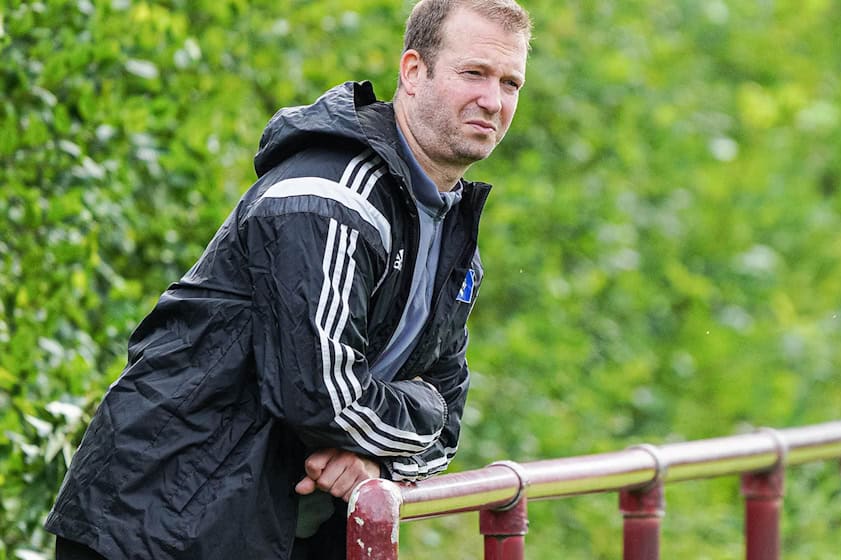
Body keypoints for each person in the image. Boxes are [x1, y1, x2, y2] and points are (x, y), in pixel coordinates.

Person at [45, 0, 531, 558]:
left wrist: (377, 460)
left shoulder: (451, 234)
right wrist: (416, 415)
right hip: (157, 522)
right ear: (414, 72)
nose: (492, 101)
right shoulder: (330, 195)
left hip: (271, 527)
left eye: (510, 82)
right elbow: (321, 395)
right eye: (474, 73)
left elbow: (448, 414)